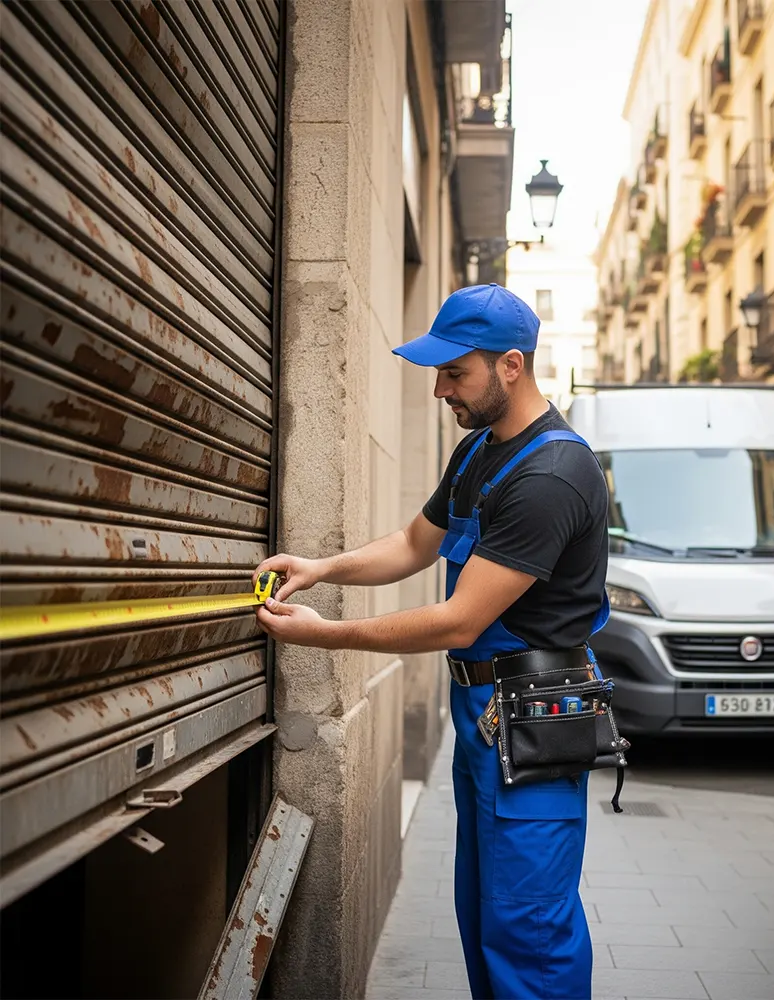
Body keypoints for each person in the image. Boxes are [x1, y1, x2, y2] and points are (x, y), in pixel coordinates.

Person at [254, 283, 610, 1000]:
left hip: (533, 717)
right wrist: (322, 567)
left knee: (528, 932)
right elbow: (415, 543)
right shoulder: (480, 451)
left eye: (455, 372)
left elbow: (458, 621)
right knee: (483, 915)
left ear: (512, 365)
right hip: (484, 718)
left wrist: (329, 635)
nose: (441, 389)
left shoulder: (552, 474)